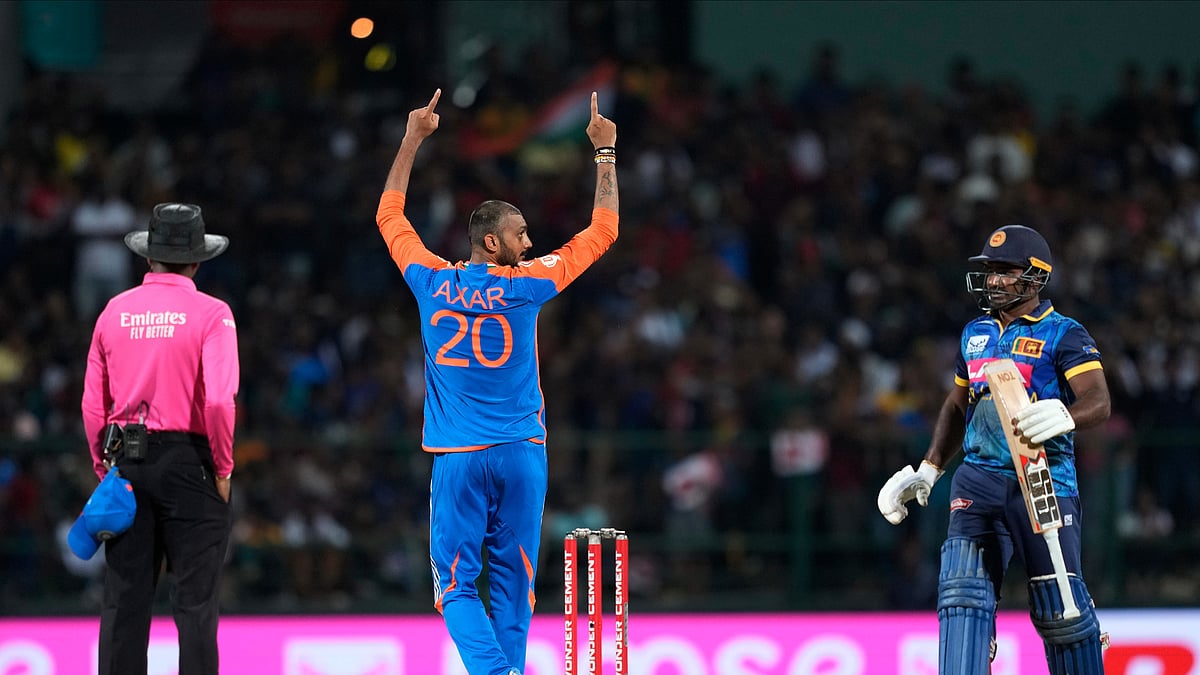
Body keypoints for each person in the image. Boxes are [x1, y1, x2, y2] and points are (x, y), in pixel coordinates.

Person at [375, 89, 618, 675]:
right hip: (522, 455)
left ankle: (496, 672)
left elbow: (389, 214)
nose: (528, 243)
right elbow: (604, 229)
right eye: (520, 235)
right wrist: (605, 155)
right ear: (491, 241)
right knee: (514, 585)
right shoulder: (527, 284)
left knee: (456, 587)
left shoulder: (430, 281)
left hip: (459, 458)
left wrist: (413, 138)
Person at [876, 224, 1110, 674]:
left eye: (1006, 271)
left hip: (1042, 478)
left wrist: (1065, 415)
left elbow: (1098, 401)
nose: (994, 281)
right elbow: (957, 402)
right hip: (978, 478)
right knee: (962, 596)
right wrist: (929, 468)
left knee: (1060, 607)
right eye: (990, 271)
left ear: (1035, 276)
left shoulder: (1065, 333)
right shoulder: (974, 333)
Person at [80, 203, 239, 675]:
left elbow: (92, 406)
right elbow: (218, 402)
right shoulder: (213, 313)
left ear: (149, 258)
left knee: (124, 604)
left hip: (128, 461)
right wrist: (224, 467)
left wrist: (103, 471)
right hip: (193, 464)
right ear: (196, 261)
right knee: (195, 608)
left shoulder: (114, 311)